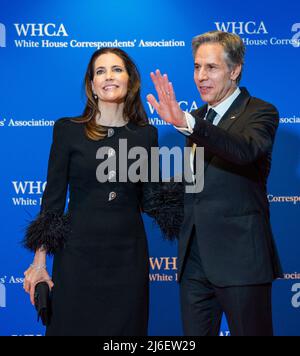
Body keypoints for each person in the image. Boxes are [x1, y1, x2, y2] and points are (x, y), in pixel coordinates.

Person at [22, 48, 179, 336]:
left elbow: (152, 200)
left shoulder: (146, 134)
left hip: (128, 260)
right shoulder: (67, 130)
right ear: (91, 84)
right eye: (101, 71)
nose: (109, 76)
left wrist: (186, 137)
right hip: (77, 257)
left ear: (130, 80)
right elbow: (53, 201)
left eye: (117, 69)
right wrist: (39, 262)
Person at [147, 30, 283, 336]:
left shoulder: (260, 112)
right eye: (197, 67)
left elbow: (243, 150)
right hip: (194, 260)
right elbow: (198, 185)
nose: (201, 76)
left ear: (234, 70)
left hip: (240, 260)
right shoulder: (196, 118)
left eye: (211, 67)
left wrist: (187, 123)